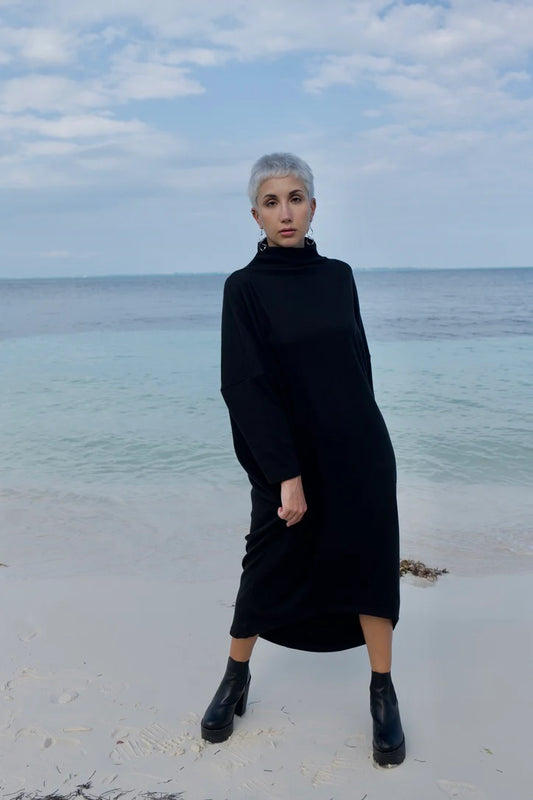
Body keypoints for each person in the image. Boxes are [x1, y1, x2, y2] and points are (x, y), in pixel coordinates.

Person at [200, 153, 405, 767]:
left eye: (295, 198)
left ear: (314, 207)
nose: (284, 212)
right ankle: (235, 678)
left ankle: (382, 692)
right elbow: (245, 384)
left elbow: (358, 365)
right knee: (266, 563)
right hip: (287, 459)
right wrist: (284, 472)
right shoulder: (245, 288)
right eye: (271, 201)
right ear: (255, 214)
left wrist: (364, 442)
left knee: (371, 564)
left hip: (359, 451)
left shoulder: (340, 276)